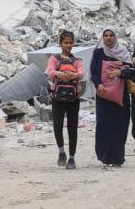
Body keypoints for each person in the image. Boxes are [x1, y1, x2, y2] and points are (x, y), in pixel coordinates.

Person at [90, 28, 134, 167]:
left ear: (115, 37)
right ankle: (104, 157)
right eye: (106, 35)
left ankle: (117, 158)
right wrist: (98, 84)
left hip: (120, 96)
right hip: (103, 96)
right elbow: (94, 72)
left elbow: (132, 71)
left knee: (119, 126)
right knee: (103, 125)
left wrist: (119, 73)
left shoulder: (123, 52)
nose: (108, 38)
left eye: (111, 35)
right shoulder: (98, 52)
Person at [46, 30, 84, 170]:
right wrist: (59, 73)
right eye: (66, 43)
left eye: (71, 43)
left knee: (72, 128)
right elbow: (50, 71)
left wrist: (71, 76)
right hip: (58, 98)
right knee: (57, 125)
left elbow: (81, 73)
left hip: (73, 98)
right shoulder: (54, 59)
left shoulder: (77, 60)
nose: (69, 45)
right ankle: (61, 151)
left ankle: (72, 157)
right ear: (60, 43)